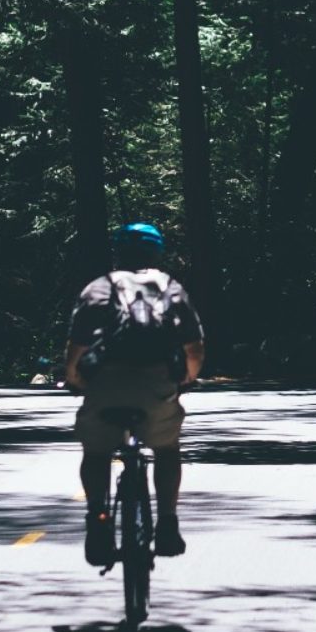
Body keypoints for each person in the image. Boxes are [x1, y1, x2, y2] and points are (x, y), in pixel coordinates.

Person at [64, 223, 205, 566]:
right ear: (158, 252)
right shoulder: (169, 287)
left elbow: (77, 344)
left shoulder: (100, 287)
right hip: (157, 383)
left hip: (106, 382)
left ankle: (98, 519)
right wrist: (187, 378)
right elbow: (194, 346)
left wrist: (73, 378)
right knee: (167, 449)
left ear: (118, 251)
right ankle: (167, 524)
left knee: (96, 452)